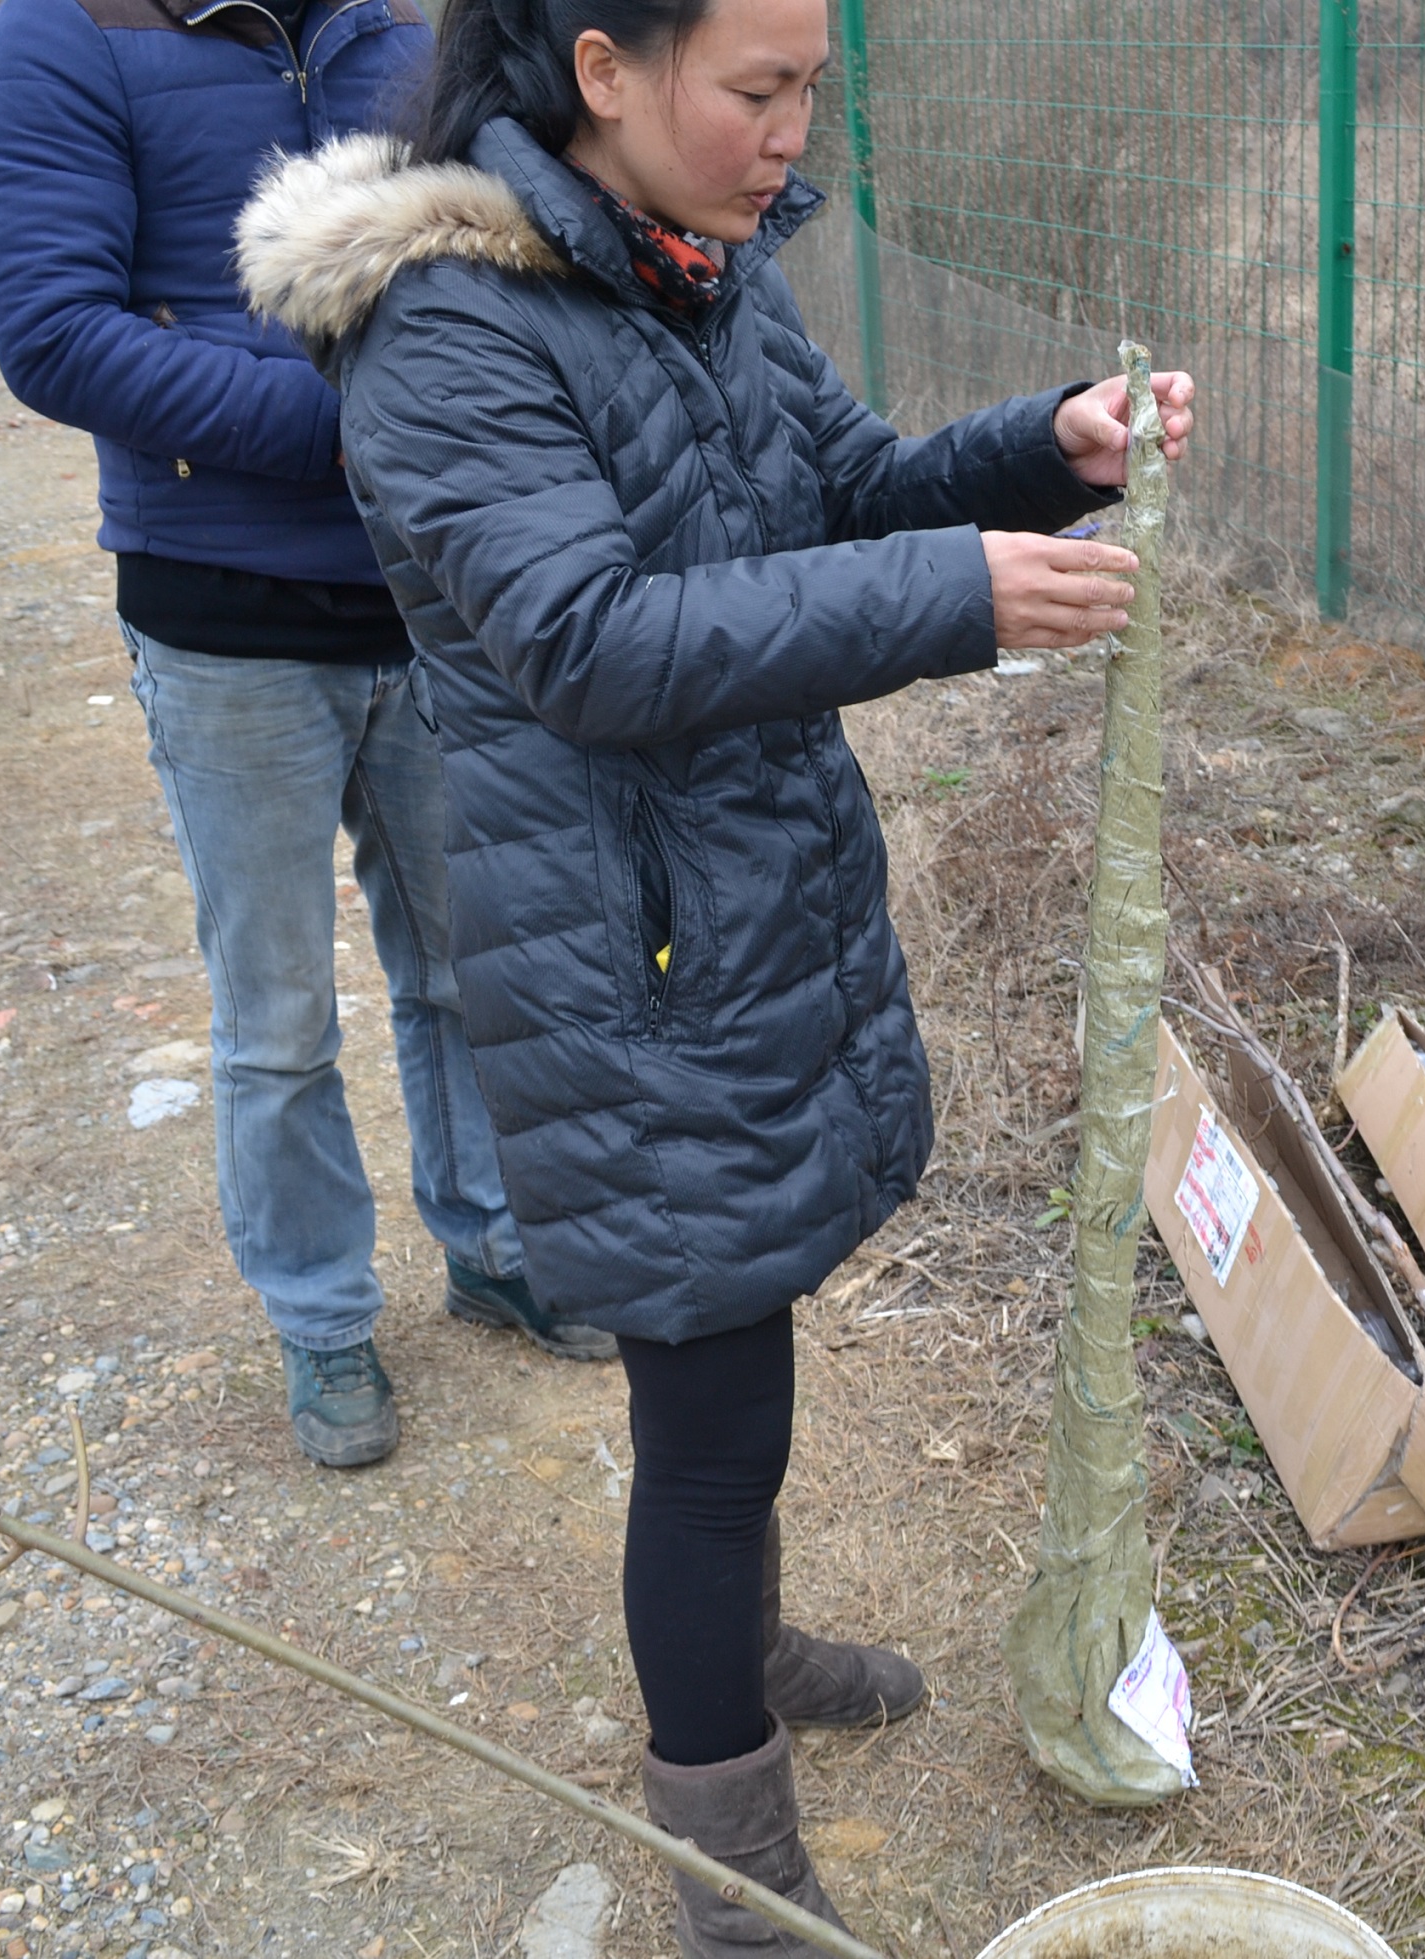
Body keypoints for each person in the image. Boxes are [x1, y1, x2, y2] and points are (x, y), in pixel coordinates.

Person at [232, 0, 1193, 1941]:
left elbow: (837, 490)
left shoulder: (702, 269)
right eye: (753, 89)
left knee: (736, 1351)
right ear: (601, 67)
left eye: (805, 92)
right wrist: (959, 600)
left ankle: (739, 1661)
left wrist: (1041, 452)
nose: (786, 135)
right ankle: (721, 1846)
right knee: (706, 1421)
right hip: (616, 959)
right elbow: (585, 640)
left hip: (738, 914)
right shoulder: (446, 329)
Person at [0, 0, 621, 1472]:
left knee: (473, 967)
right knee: (274, 1019)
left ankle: (497, 1245)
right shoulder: (65, 37)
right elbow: (60, 335)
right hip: (220, 616)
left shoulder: (397, 36)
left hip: (431, 592)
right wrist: (374, 417)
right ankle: (322, 1318)